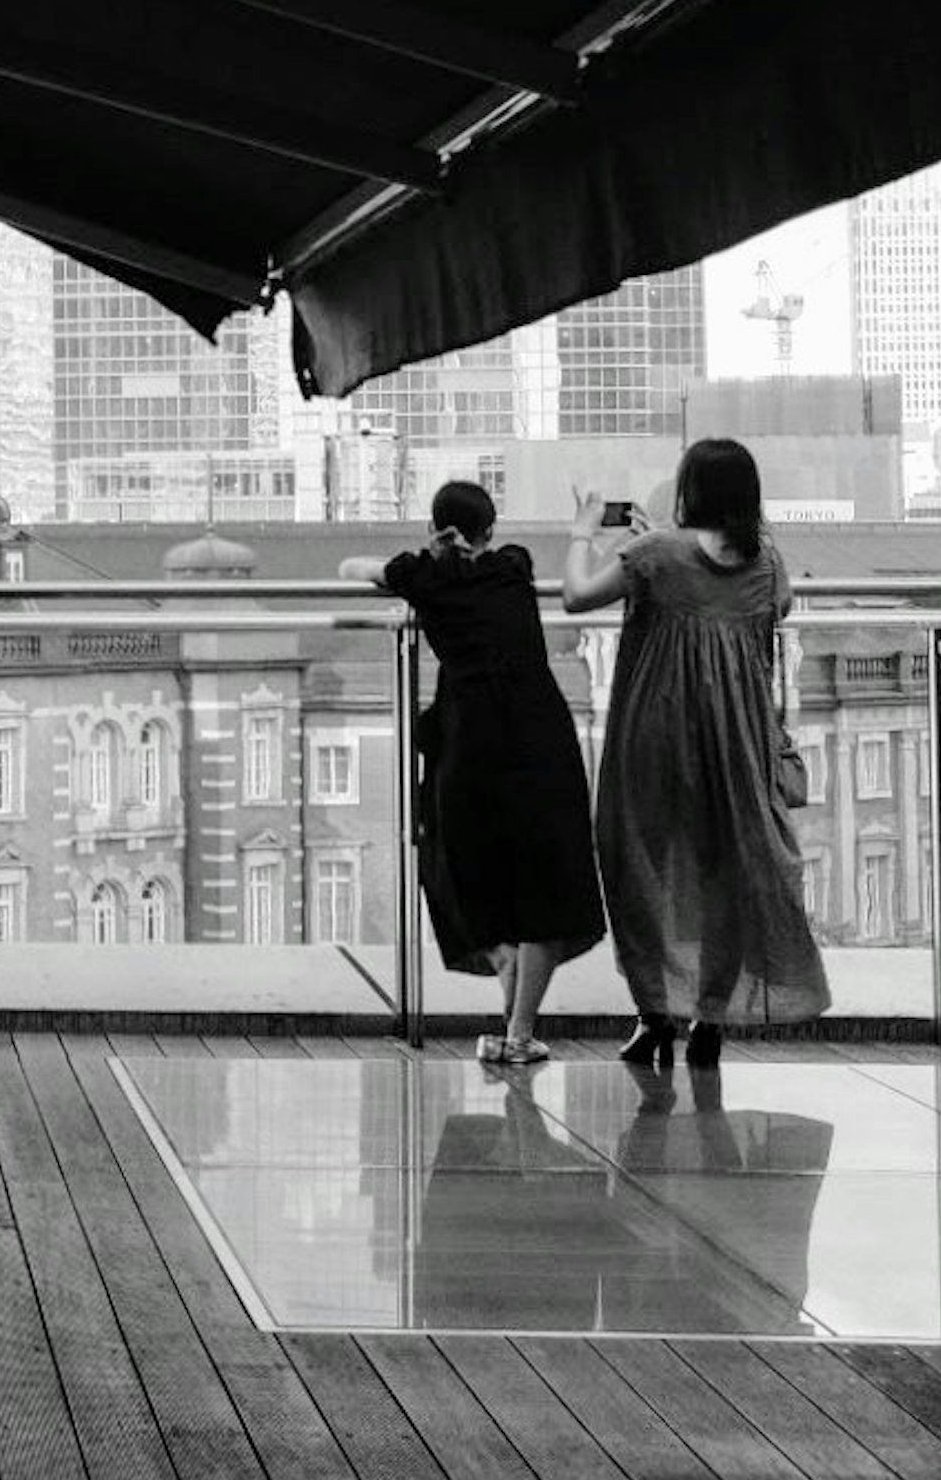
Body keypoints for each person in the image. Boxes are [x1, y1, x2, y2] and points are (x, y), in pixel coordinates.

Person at [561, 438, 831, 1066]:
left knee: (641, 868)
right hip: (737, 746)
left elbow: (576, 596)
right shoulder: (768, 563)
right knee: (728, 873)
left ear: (690, 492)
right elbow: (772, 605)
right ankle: (710, 1017)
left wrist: (581, 532)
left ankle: (655, 1013)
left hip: (653, 740)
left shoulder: (654, 553)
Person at [341, 480, 606, 1064]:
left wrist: (431, 556)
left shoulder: (423, 577)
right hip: (541, 738)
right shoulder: (514, 567)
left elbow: (351, 566)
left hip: (471, 743)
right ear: (492, 528)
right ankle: (517, 1034)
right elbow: (500, 566)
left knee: (477, 871)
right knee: (546, 886)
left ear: (436, 528)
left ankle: (508, 1000)